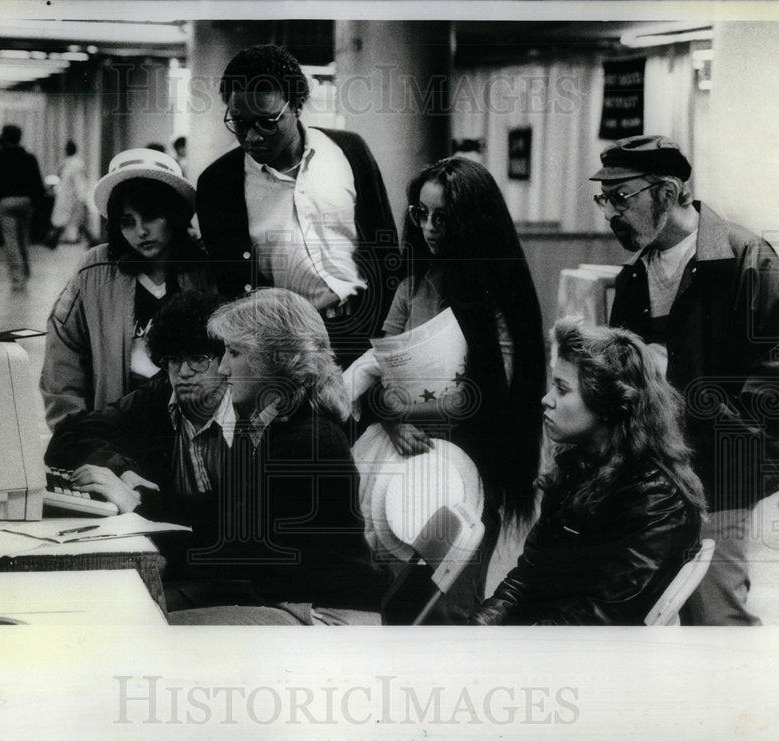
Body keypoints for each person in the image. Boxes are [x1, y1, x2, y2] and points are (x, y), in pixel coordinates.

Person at [68, 288, 387, 625]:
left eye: (233, 352)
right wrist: (138, 500)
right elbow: (219, 510)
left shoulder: (308, 442)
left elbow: (236, 552)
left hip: (324, 618)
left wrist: (146, 540)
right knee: (134, 608)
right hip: (285, 599)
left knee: (142, 624)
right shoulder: (277, 424)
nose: (222, 367)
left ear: (274, 358)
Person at [590, 135, 779, 625]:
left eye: (621, 197)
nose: (610, 213)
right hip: (654, 475)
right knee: (651, 613)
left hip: (722, 474)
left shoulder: (746, 258)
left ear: (667, 194)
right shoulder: (633, 277)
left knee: (715, 618)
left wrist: (684, 392)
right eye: (604, 198)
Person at [361, 156, 547, 622]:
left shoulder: (498, 293)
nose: (428, 228)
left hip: (472, 465)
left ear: (471, 219)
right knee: (400, 593)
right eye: (419, 214)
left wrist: (402, 411)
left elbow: (489, 396)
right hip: (407, 459)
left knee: (450, 602)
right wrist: (391, 415)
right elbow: (378, 367)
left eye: (442, 217)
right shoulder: (414, 284)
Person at [470, 319, 706, 625]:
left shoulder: (657, 498)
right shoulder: (579, 467)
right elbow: (529, 577)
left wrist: (509, 647)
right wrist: (479, 629)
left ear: (605, 404)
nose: (546, 399)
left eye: (562, 388)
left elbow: (600, 618)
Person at [196, 44, 400, 367]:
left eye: (266, 122)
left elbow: (386, 247)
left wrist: (390, 335)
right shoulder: (218, 184)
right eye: (239, 122)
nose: (251, 137)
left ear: (297, 105)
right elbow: (231, 289)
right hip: (283, 348)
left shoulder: (349, 151)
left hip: (365, 330)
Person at [40, 148, 216, 430]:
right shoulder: (95, 268)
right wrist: (75, 430)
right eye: (127, 222)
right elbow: (63, 351)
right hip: (115, 425)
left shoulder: (207, 268)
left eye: (151, 216)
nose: (141, 232)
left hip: (194, 429)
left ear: (174, 213)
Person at [45, 289, 234, 508]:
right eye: (174, 359)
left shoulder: (251, 409)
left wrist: (142, 500)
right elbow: (68, 436)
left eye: (197, 360)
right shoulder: (158, 397)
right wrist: (121, 469)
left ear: (225, 359)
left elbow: (245, 510)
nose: (183, 372)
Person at [0, 124, 46, 291]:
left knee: (10, 241)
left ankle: (17, 278)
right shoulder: (29, 157)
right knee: (23, 239)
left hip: (5, 202)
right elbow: (37, 183)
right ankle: (26, 272)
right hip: (25, 202)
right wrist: (37, 204)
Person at [44, 140, 94, 249]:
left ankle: (92, 239)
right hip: (66, 197)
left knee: (75, 220)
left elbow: (79, 182)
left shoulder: (76, 164)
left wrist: (82, 198)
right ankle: (52, 239)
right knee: (65, 219)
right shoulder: (68, 163)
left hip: (74, 198)